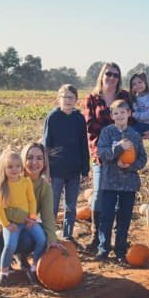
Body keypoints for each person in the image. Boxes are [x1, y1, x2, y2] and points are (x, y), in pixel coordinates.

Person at [0, 143, 62, 280]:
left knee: (41, 235)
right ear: (22, 159)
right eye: (30, 158)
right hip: (2, 225)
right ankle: (4, 268)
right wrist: (19, 217)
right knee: (16, 236)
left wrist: (52, 240)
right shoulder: (9, 178)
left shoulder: (44, 186)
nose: (34, 162)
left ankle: (32, 267)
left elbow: (48, 215)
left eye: (39, 158)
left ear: (44, 162)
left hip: (25, 224)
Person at [85, 62, 132, 251]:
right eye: (108, 74)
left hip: (123, 155)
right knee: (99, 194)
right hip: (102, 154)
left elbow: (133, 119)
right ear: (102, 76)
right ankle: (96, 235)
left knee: (121, 196)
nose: (111, 78)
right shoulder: (92, 98)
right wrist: (110, 139)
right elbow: (90, 125)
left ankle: (119, 239)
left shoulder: (124, 97)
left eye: (115, 75)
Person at [95, 100, 147, 263]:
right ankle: (103, 248)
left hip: (128, 184)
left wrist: (130, 166)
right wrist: (118, 148)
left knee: (124, 218)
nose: (119, 116)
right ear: (111, 116)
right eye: (116, 113)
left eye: (123, 112)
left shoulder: (135, 135)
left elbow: (142, 158)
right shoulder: (106, 132)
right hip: (109, 183)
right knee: (106, 216)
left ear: (129, 113)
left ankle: (120, 249)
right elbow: (102, 153)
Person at [0, 147, 47, 288]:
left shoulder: (26, 182)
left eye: (17, 166)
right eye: (10, 167)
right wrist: (6, 224)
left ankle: (34, 268)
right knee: (10, 245)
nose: (14, 169)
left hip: (27, 220)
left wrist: (32, 218)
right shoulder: (3, 185)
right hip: (12, 223)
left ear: (21, 167)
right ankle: (3, 273)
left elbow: (32, 201)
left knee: (41, 239)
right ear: (4, 168)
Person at [42, 84, 90, 244]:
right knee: (53, 205)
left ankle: (67, 236)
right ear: (59, 99)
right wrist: (46, 170)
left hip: (74, 169)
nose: (68, 100)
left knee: (71, 206)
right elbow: (46, 146)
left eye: (71, 97)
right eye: (65, 97)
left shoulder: (79, 119)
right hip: (56, 169)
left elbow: (84, 144)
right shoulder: (53, 117)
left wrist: (85, 169)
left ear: (76, 100)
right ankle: (50, 236)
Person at [128, 72, 149, 139]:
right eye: (134, 84)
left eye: (140, 82)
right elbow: (137, 109)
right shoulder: (137, 97)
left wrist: (134, 114)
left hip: (146, 124)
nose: (137, 85)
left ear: (145, 83)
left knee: (129, 135)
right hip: (140, 122)